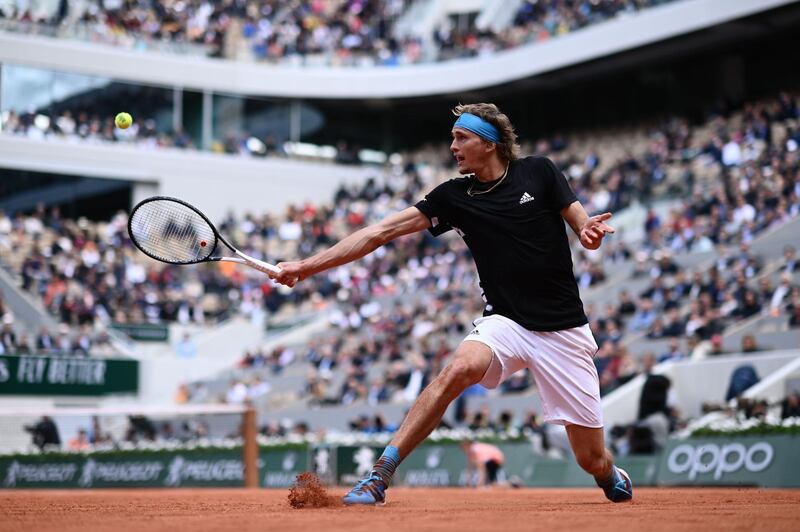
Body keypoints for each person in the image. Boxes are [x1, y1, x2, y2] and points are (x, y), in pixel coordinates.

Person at [269, 103, 631, 505]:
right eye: (452, 137)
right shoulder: (453, 197)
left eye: (462, 137)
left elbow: (581, 222)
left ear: (489, 143)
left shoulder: (540, 172)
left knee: (590, 458)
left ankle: (609, 472)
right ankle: (379, 475)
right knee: (458, 368)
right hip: (505, 322)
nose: (453, 145)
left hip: (563, 329)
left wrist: (588, 232)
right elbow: (380, 232)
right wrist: (305, 266)